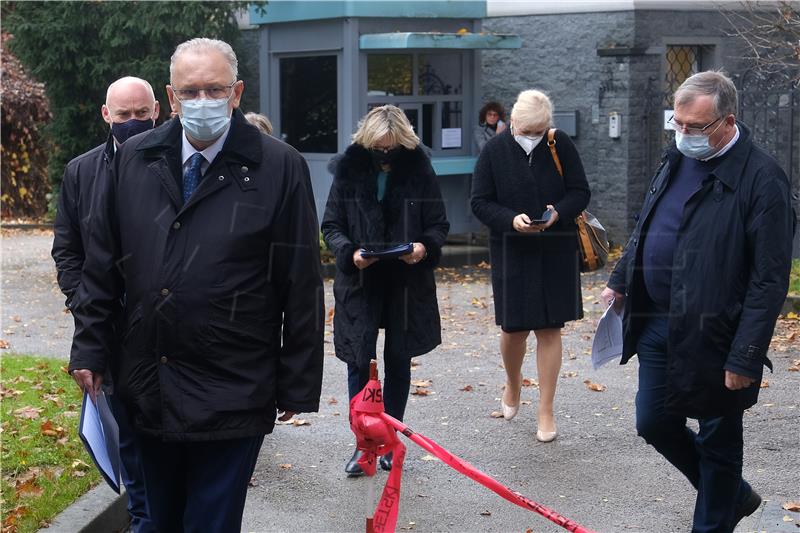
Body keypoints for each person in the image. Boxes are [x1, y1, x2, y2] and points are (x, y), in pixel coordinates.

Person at [68, 38, 324, 532]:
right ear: (170, 94)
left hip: (234, 382)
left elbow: (301, 280)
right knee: (156, 520)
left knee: (211, 523)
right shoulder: (134, 159)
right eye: (190, 91)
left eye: (215, 89)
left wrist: (297, 379)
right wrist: (89, 349)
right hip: (145, 379)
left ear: (237, 92)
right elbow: (101, 263)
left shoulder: (279, 165)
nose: (202, 101)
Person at [600, 70, 795, 532]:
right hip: (657, 319)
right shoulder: (674, 158)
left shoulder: (763, 179)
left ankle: (713, 519)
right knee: (653, 422)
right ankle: (734, 494)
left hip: (718, 328)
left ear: (728, 121)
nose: (684, 134)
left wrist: (746, 355)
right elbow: (649, 222)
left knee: (718, 436)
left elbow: (770, 280)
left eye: (695, 126)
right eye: (678, 123)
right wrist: (622, 277)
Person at [52, 76, 158, 532]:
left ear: (159, 110)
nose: (133, 123)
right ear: (105, 115)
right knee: (129, 447)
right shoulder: (82, 171)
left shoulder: (177, 165)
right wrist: (86, 300)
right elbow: (68, 250)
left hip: (166, 332)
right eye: (123, 116)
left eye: (142, 114)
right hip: (111, 334)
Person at [321, 105, 449, 475]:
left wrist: (424, 247)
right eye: (378, 148)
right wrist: (350, 253)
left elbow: (438, 224)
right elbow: (331, 225)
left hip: (407, 280)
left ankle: (391, 440)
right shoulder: (349, 169)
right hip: (360, 281)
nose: (385, 155)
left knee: (398, 357)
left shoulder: (420, 168)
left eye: (391, 148)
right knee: (358, 360)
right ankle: (363, 445)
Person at [470, 89, 590, 442]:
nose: (532, 137)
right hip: (512, 249)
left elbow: (580, 191)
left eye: (539, 132)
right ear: (514, 121)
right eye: (526, 130)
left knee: (551, 329)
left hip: (555, 249)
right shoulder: (495, 149)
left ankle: (546, 409)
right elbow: (479, 202)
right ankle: (512, 383)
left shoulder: (560, 144)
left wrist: (558, 213)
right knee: (514, 329)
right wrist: (511, 220)